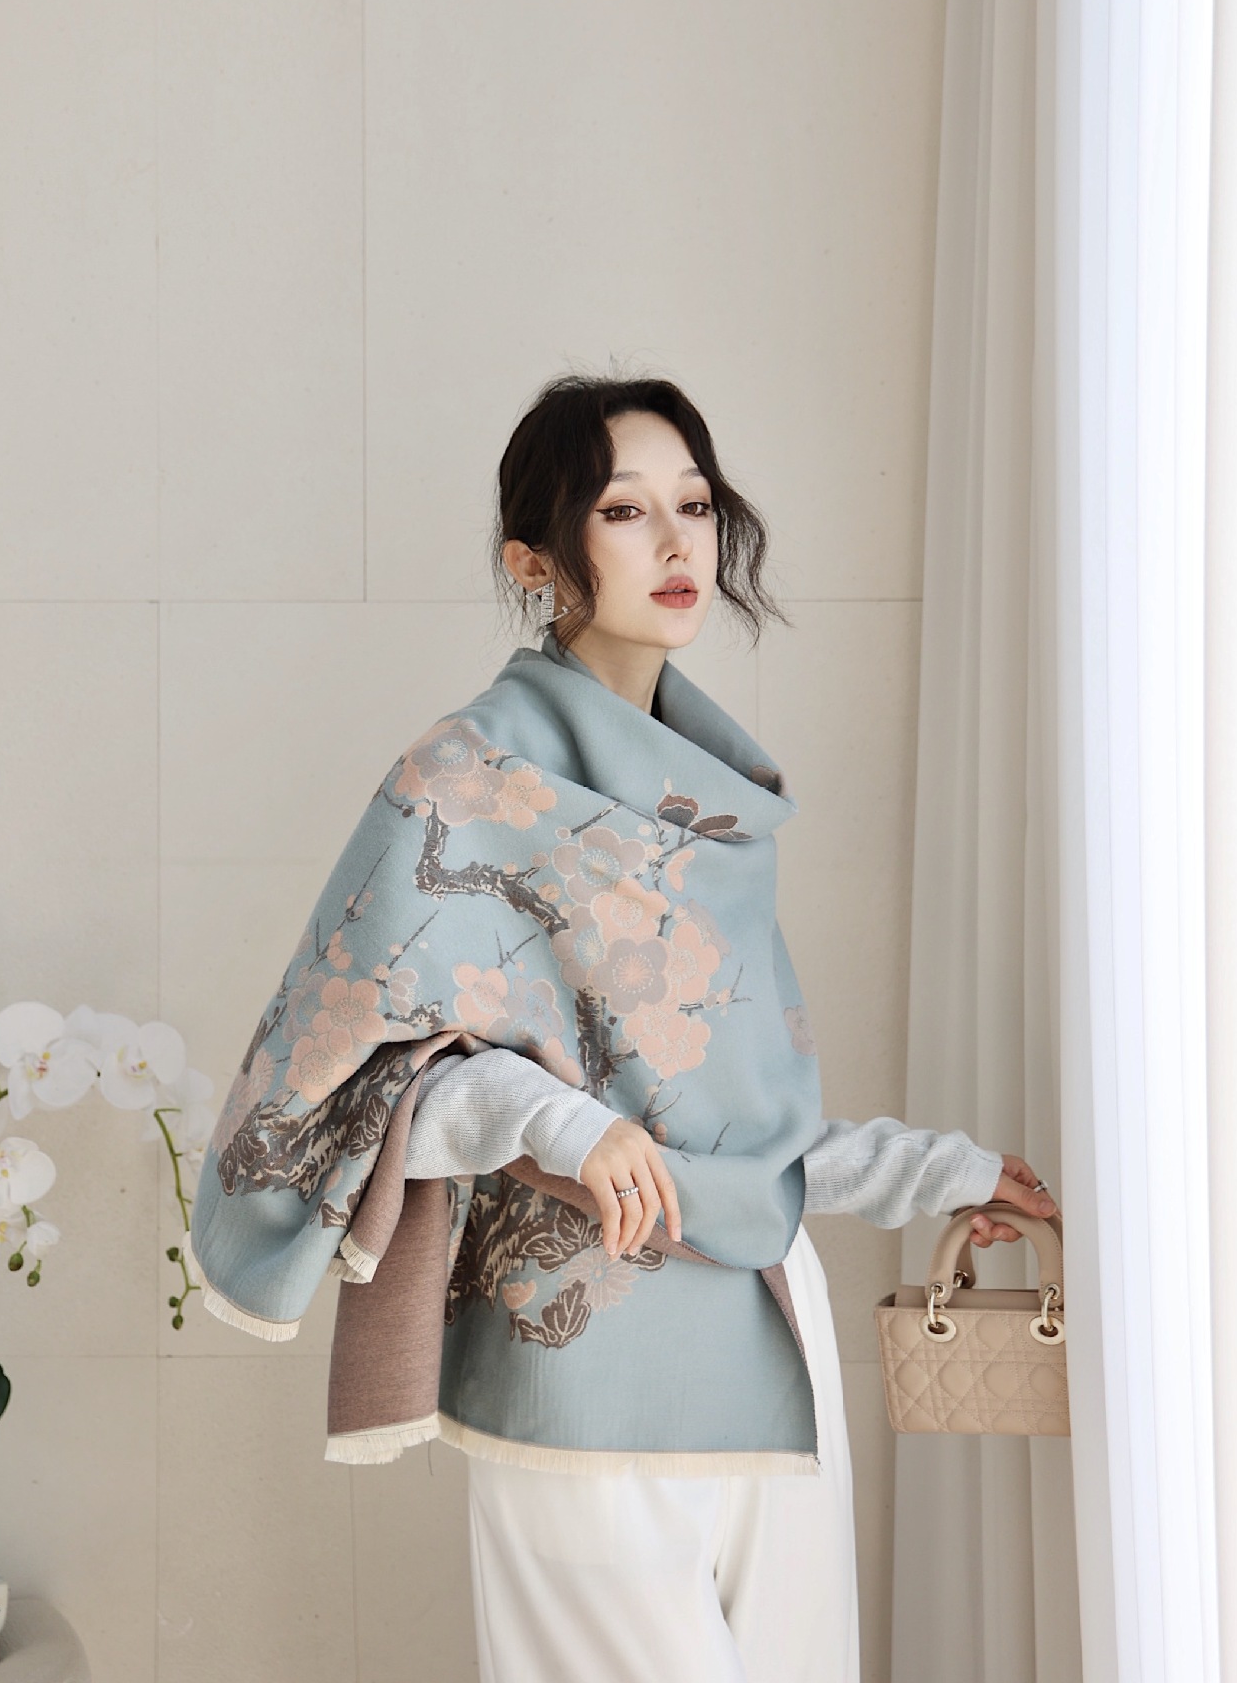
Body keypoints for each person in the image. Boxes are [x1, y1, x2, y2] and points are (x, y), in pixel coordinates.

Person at [188, 373, 1057, 1683]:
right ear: (533, 560)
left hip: (769, 1344)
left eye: (693, 505)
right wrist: (562, 1124)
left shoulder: (716, 804)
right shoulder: (463, 781)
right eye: (623, 510)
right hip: (578, 1352)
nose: (674, 542)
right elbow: (366, 1070)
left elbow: (735, 1133)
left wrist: (946, 1172)